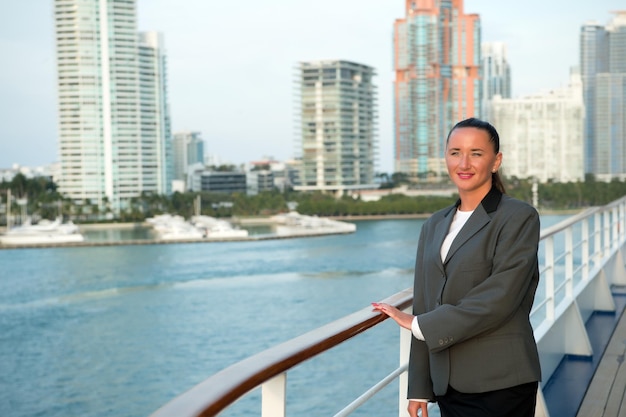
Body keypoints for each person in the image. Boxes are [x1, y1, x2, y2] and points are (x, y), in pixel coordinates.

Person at [372, 117, 541, 417]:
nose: (464, 163)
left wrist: (416, 324)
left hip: (500, 383)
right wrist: (419, 389)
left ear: (495, 161)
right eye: (455, 152)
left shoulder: (518, 217)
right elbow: (425, 302)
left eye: (476, 153)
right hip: (448, 385)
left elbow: (499, 297)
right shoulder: (433, 225)